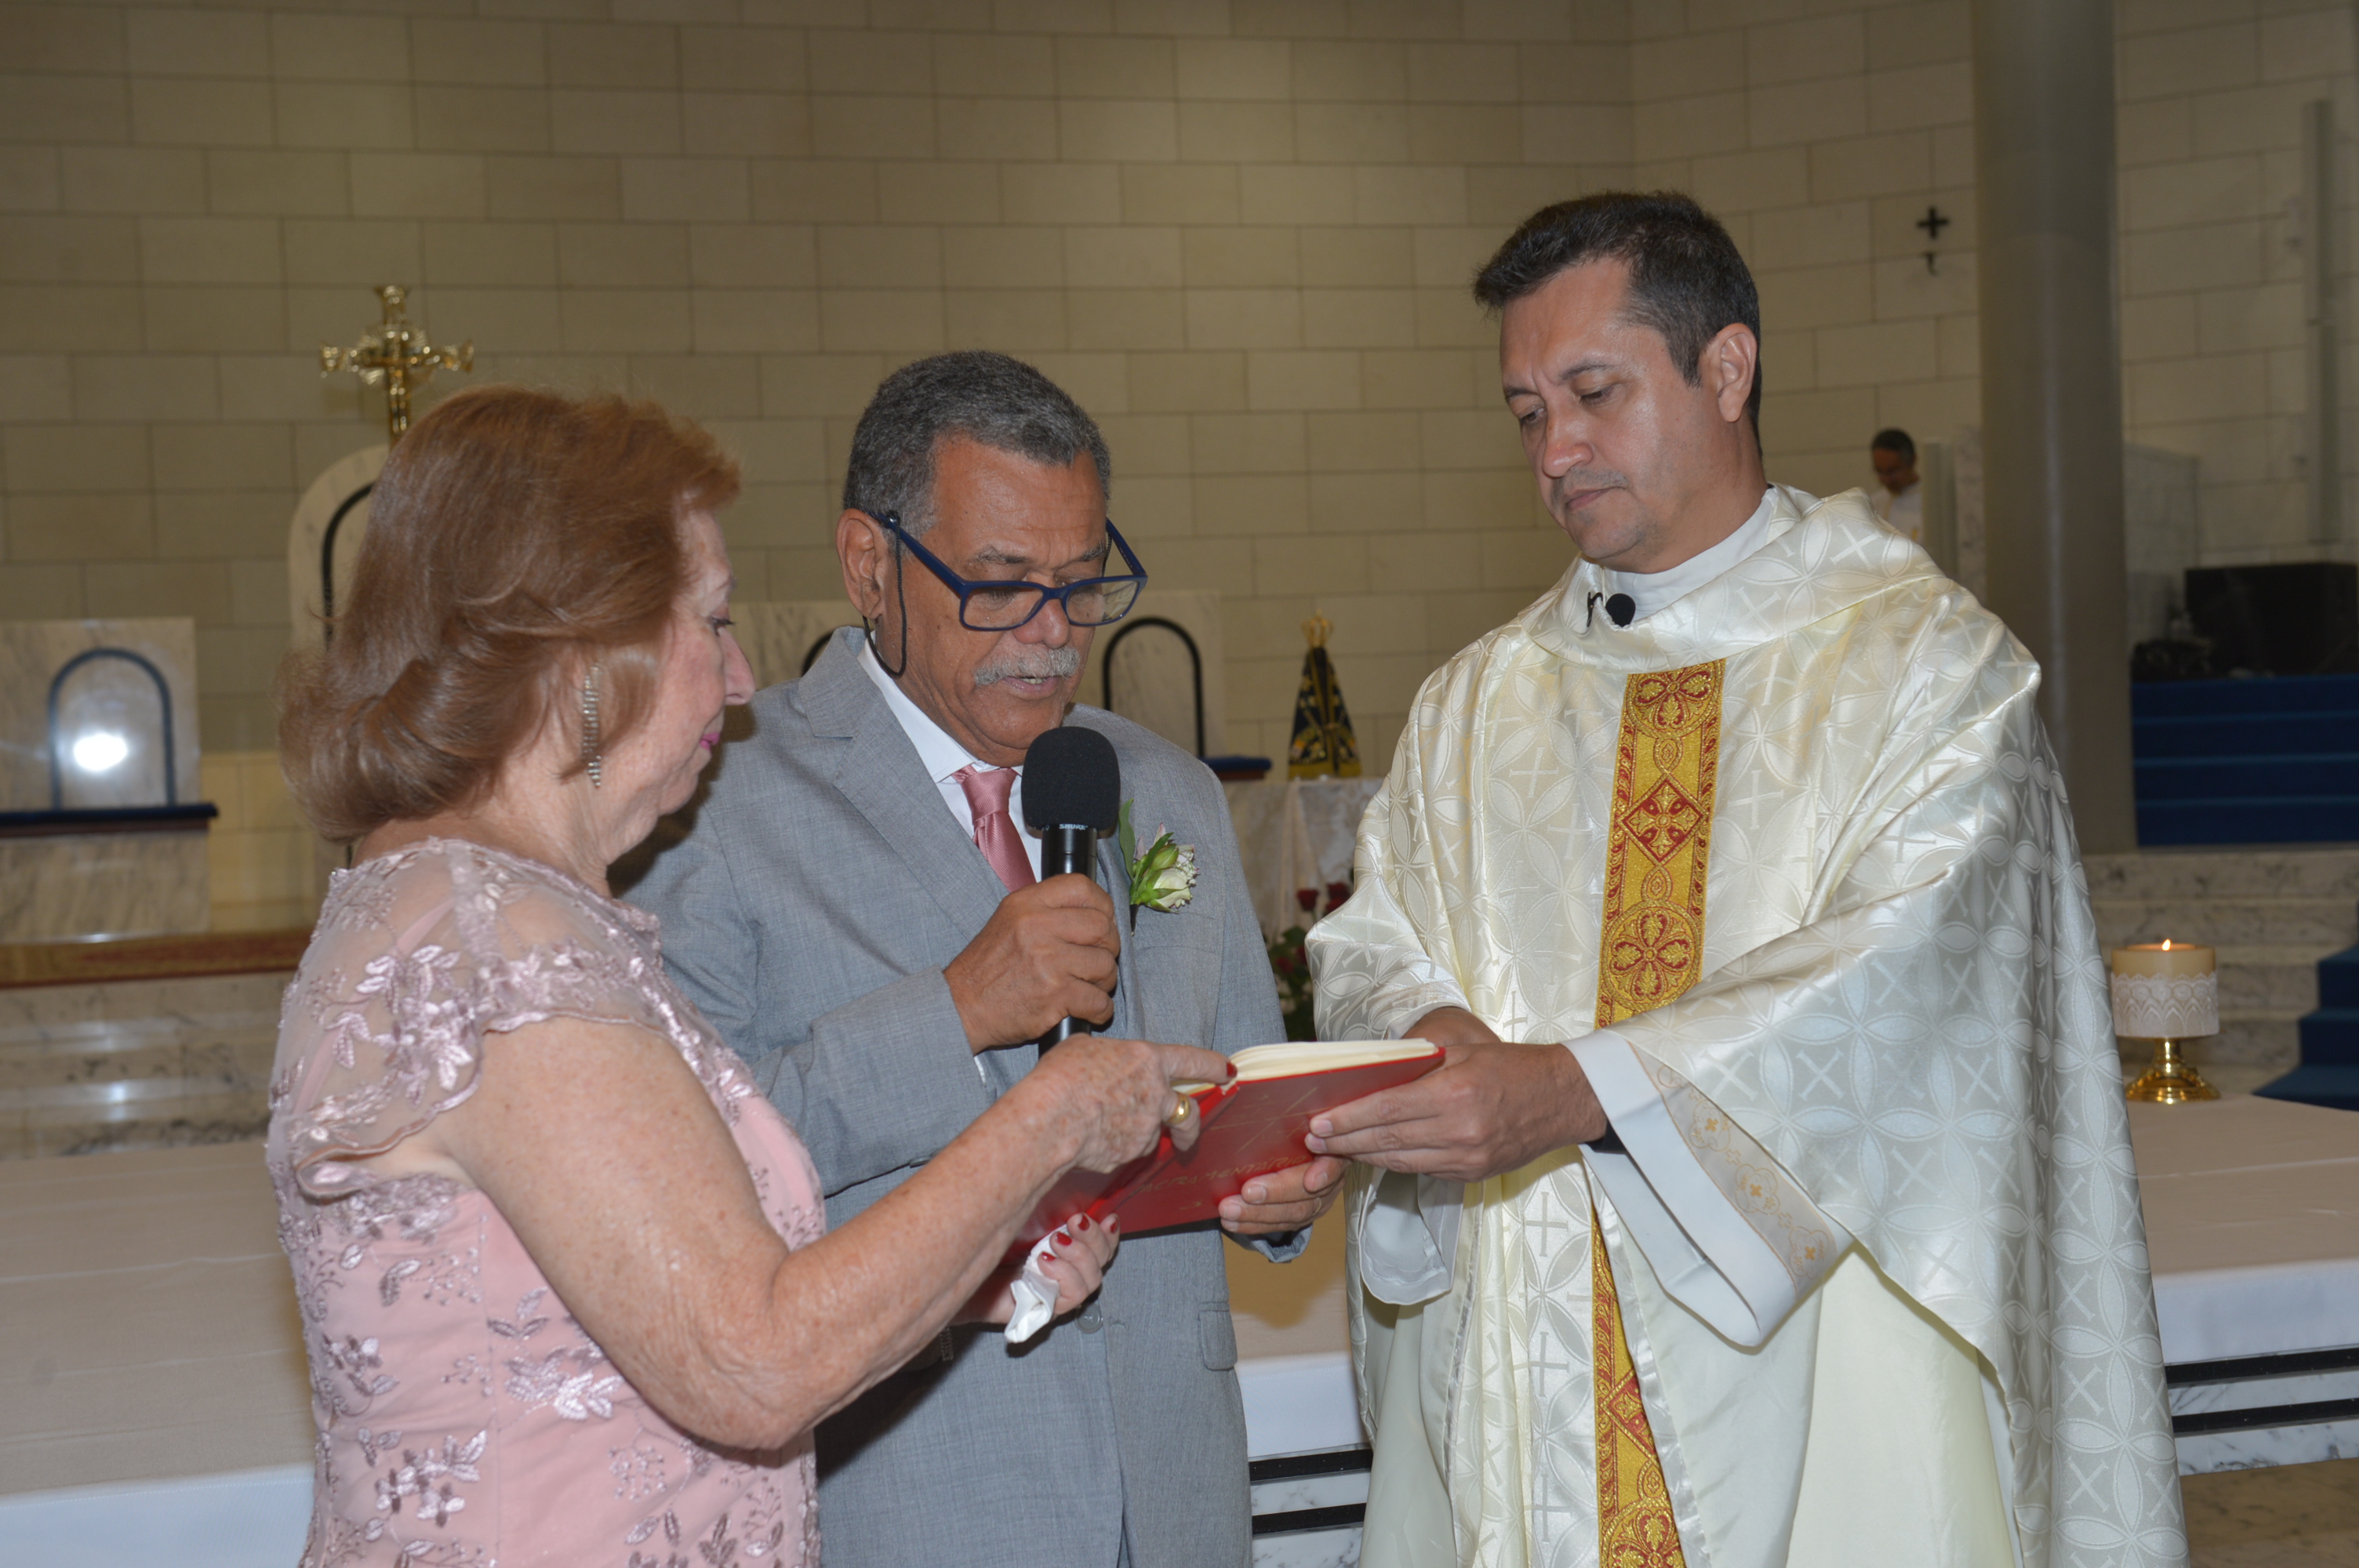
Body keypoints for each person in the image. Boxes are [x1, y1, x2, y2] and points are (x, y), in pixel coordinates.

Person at [1304, 194, 2185, 1568]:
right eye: (1527, 412)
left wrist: (1570, 1089)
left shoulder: (1927, 670)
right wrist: (1430, 1034)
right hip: (1530, 1355)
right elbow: (1375, 934)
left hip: (1836, 1380)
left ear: (1726, 367)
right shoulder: (1476, 701)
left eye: (1594, 393)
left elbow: (1902, 981)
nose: (1556, 449)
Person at [267, 385, 1230, 1567]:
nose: (738, 676)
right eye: (712, 622)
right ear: (586, 653)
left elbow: (638, 1299)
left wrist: (964, 1276)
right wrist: (1051, 1119)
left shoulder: (489, 908)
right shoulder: (497, 949)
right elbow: (750, 1367)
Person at [626, 350, 1341, 1568]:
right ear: (871, 565)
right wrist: (955, 1011)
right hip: (915, 1497)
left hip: (1174, 1493)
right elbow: (685, 1176)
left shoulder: (1165, 790)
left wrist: (1280, 1187)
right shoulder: (718, 804)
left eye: (1082, 583)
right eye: (1002, 585)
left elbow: (1243, 1089)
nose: (1054, 634)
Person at [1871, 424, 1925, 543]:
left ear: (1913, 461)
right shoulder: (1873, 505)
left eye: (1893, 471)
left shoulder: (1931, 503)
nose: (1886, 480)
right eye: (1880, 471)